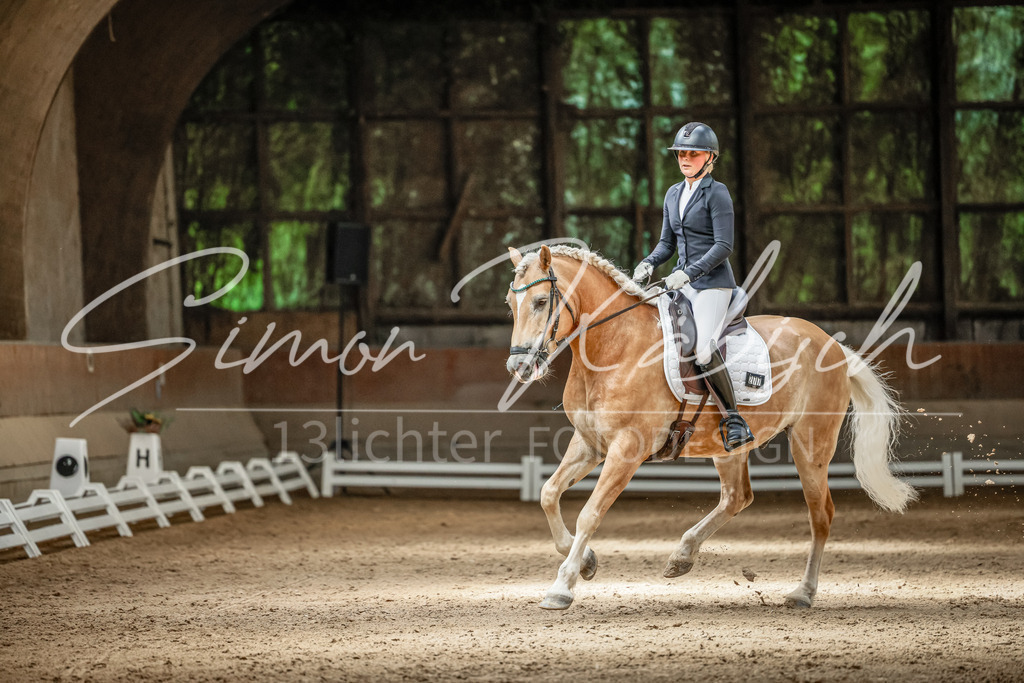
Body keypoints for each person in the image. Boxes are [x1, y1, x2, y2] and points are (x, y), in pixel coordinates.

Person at [631, 122, 753, 451]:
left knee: (702, 348)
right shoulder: (673, 193)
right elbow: (666, 243)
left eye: (693, 153)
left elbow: (724, 245)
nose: (685, 158)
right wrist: (649, 262)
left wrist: (690, 274)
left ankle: (734, 419)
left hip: (712, 284)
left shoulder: (718, 193)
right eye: (681, 153)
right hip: (681, 282)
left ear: (709, 157)